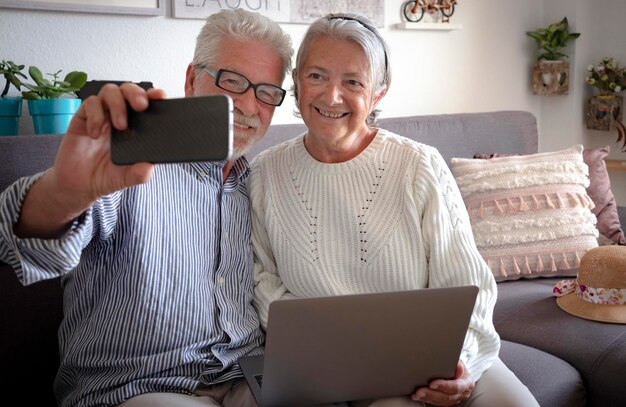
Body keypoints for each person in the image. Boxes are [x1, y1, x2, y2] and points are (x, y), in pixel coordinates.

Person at [0, 8, 292, 407]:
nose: (247, 104)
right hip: (138, 387)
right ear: (192, 79)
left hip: (248, 379)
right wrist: (64, 194)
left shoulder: (263, 186)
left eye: (266, 91)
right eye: (233, 81)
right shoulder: (129, 165)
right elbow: (18, 243)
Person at [249, 12, 539, 407]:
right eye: (317, 76)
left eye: (353, 82)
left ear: (379, 92)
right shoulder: (264, 173)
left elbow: (469, 284)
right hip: (330, 364)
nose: (332, 96)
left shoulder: (419, 165)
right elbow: (262, 282)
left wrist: (461, 363)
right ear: (297, 80)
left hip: (438, 357)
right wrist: (327, 353)